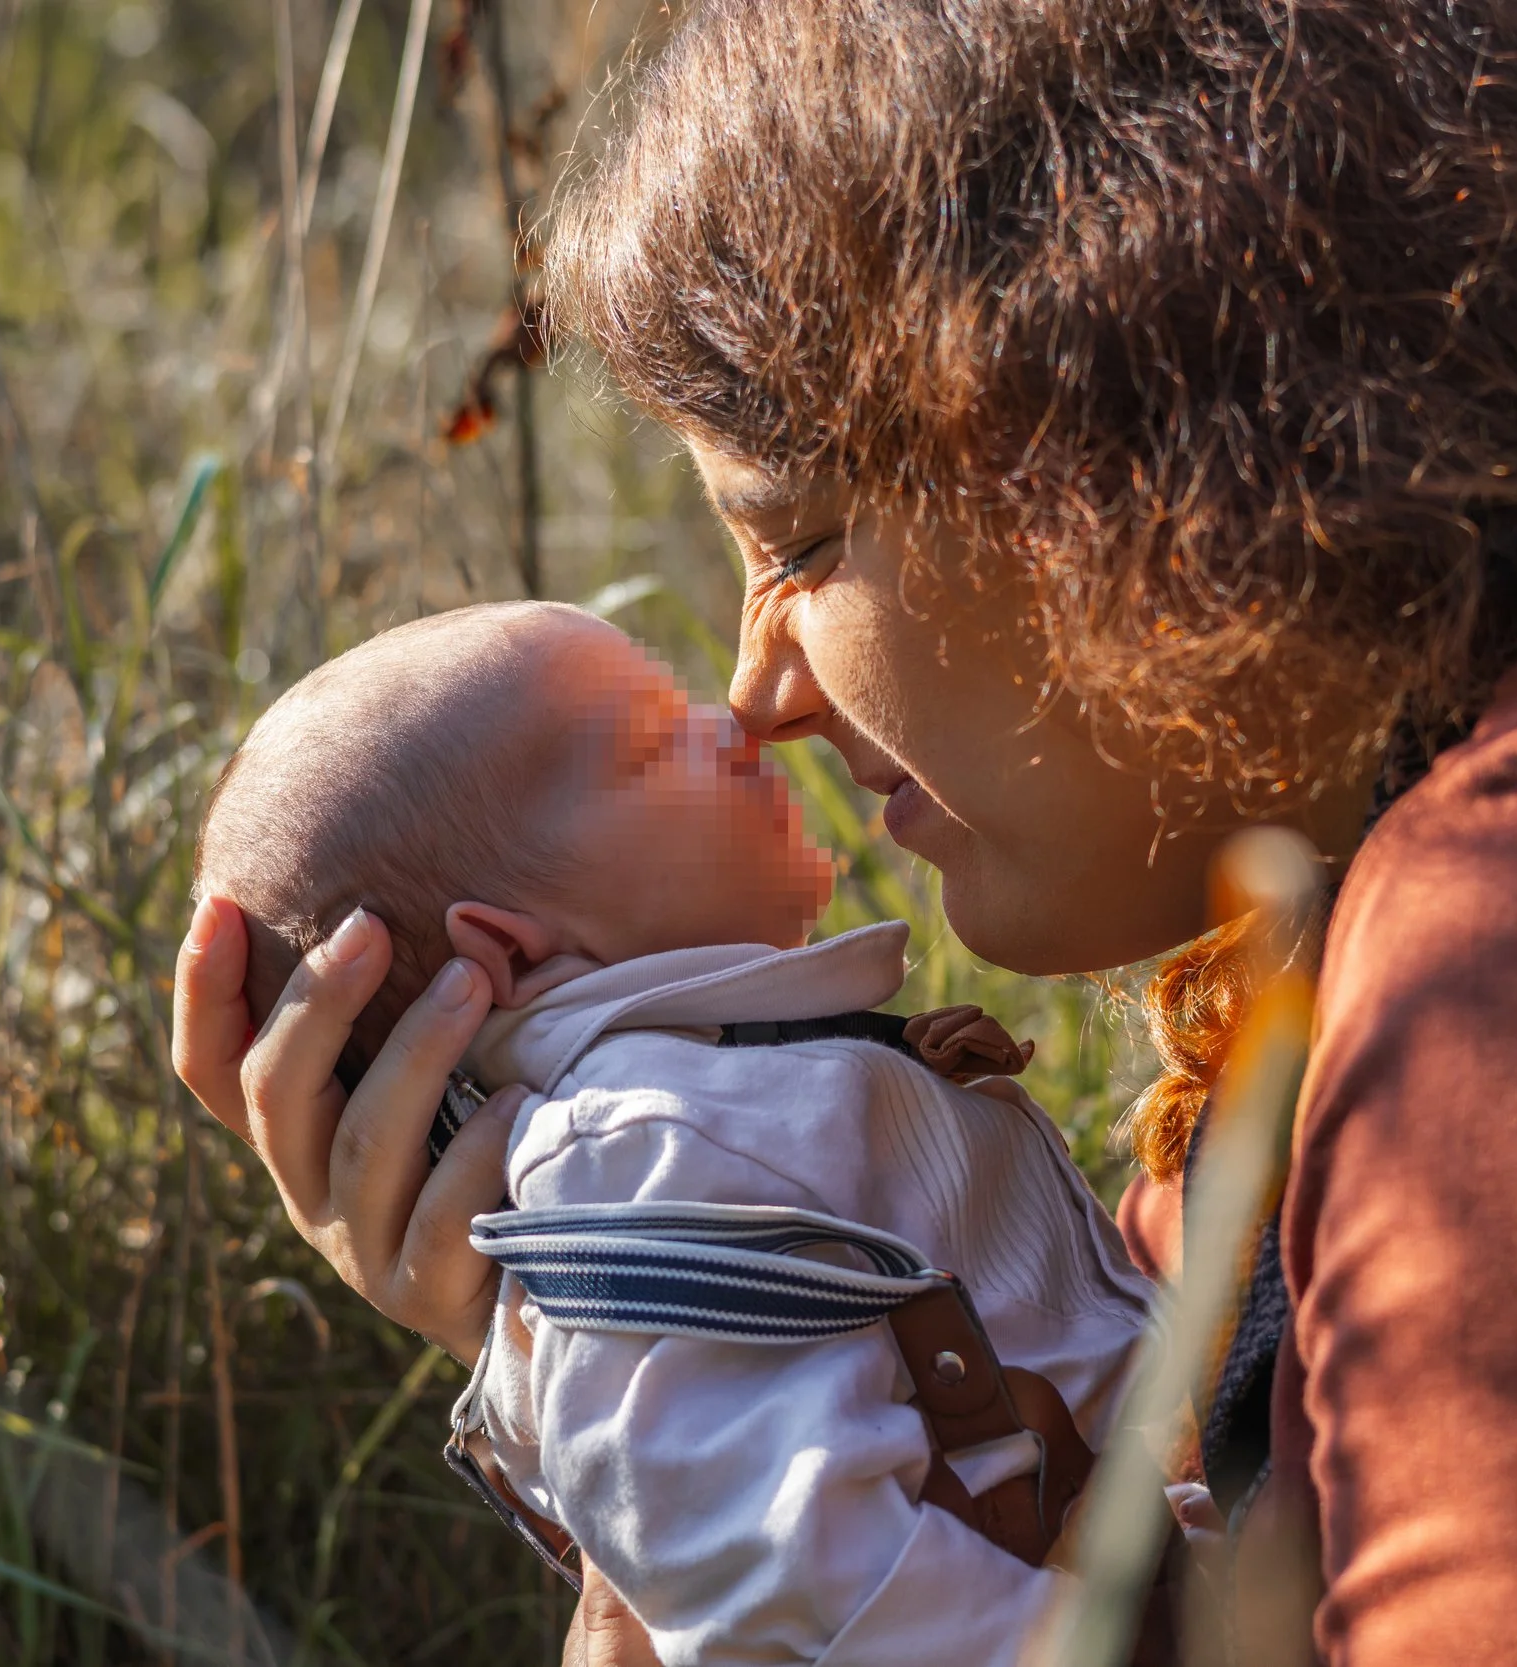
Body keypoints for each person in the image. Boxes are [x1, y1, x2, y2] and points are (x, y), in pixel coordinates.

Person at [175, 0, 1517, 1661]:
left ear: (1121, 424)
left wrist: (614, 1359)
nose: (757, 689)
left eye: (799, 542)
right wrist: (628, 1336)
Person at [189, 601, 1150, 1664]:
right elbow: (774, 1550)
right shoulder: (636, 1148)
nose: (738, 722)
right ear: (508, 948)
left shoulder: (711, 1100)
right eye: (654, 742)